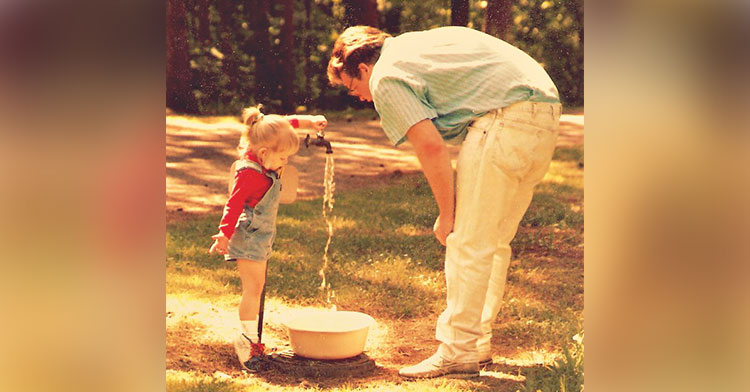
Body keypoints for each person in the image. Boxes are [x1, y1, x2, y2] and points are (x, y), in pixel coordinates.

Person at [327, 26, 562, 379]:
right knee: (492, 243)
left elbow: (431, 146)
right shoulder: (413, 46)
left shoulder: (386, 75)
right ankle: (475, 342)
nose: (359, 96)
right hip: (545, 111)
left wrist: (447, 215)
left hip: (505, 119)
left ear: (362, 68)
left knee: (466, 242)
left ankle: (457, 351)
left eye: (352, 86)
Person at [209, 105, 327, 372]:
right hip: (249, 237)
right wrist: (224, 233)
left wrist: (310, 121)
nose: (286, 162)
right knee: (252, 289)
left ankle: (252, 339)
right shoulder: (249, 172)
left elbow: (282, 124)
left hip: (261, 236)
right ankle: (246, 341)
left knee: (257, 287)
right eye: (284, 157)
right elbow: (234, 203)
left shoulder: (264, 136)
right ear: (264, 153)